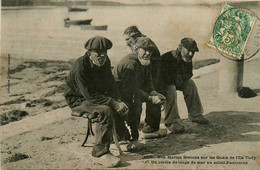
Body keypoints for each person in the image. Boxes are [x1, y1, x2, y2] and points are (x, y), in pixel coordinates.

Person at [64, 36, 128, 168]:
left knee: (123, 103)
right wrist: (113, 103)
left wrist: (118, 100)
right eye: (98, 53)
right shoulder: (80, 67)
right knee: (105, 111)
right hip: (78, 100)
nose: (102, 56)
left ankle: (121, 137)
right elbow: (90, 96)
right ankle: (99, 153)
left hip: (94, 96)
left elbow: (111, 83)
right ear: (89, 53)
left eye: (105, 52)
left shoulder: (104, 61)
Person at [113, 37, 166, 143]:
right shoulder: (131, 63)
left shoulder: (145, 61)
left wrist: (154, 94)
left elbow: (148, 83)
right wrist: (150, 98)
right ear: (136, 49)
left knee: (147, 99)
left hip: (129, 93)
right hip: (117, 95)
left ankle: (144, 132)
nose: (147, 53)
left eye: (150, 51)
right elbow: (131, 88)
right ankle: (125, 136)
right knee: (136, 103)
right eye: (144, 50)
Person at [159, 37, 209, 134]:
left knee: (190, 84)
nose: (191, 54)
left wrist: (181, 77)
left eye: (193, 52)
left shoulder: (187, 58)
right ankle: (172, 121)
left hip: (174, 81)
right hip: (162, 85)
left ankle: (195, 114)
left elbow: (189, 74)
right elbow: (163, 79)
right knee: (171, 89)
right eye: (189, 51)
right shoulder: (168, 58)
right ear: (180, 48)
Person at [123, 26, 162, 134]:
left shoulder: (145, 43)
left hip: (154, 75)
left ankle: (151, 127)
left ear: (134, 36)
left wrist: (150, 88)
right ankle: (135, 125)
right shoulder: (139, 43)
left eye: (127, 40)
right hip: (145, 75)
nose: (126, 43)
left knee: (150, 96)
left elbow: (152, 66)